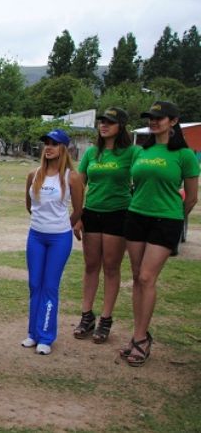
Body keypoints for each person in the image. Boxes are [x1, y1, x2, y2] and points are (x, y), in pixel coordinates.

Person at [121, 101, 198, 367]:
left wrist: (174, 218)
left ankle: (142, 339)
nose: (153, 122)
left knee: (146, 277)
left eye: (159, 118)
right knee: (136, 277)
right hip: (136, 216)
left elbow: (191, 198)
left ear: (173, 121)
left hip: (166, 221)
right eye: (151, 118)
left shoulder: (185, 155)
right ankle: (137, 334)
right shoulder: (141, 151)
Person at [72, 108, 138, 343]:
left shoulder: (132, 152)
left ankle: (106, 319)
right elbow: (79, 185)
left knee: (111, 267)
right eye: (102, 121)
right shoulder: (92, 152)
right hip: (92, 213)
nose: (104, 125)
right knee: (91, 266)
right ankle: (86, 315)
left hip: (118, 214)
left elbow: (143, 177)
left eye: (110, 122)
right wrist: (78, 215)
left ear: (121, 126)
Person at [23, 129, 84, 355]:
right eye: (46, 143)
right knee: (34, 284)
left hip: (59, 238)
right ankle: (33, 333)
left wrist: (62, 225)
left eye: (54, 144)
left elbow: (78, 210)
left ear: (63, 148)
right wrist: (42, 222)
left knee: (50, 286)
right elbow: (29, 206)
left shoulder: (71, 177)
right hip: (36, 236)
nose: (48, 147)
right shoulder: (34, 175)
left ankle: (46, 336)